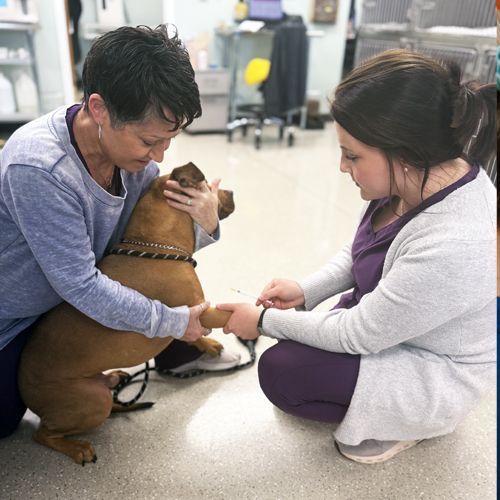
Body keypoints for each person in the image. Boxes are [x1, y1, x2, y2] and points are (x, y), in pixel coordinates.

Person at [218, 49, 496, 464]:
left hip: (433, 367)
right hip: (389, 325)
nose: (342, 167)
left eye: (352, 156)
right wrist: (305, 290)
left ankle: (415, 423)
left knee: (283, 374)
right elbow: (361, 250)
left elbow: (357, 334)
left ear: (404, 152)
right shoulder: (411, 179)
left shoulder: (455, 239)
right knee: (297, 354)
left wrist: (262, 321)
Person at [0, 25, 240, 439]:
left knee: (166, 306)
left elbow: (136, 251)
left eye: (168, 141)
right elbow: (82, 285)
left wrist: (206, 221)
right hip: (16, 317)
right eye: (149, 140)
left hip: (65, 308)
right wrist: (169, 321)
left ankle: (176, 344)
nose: (159, 157)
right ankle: (177, 340)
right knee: (4, 423)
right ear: (99, 108)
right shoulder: (40, 168)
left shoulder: (132, 162)